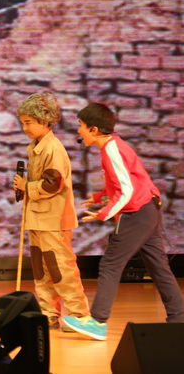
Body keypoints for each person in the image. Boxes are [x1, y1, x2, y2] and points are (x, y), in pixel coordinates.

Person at [63, 103, 184, 340]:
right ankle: (179, 319)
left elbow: (127, 190)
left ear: (94, 129)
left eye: (80, 126)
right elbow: (128, 183)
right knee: (158, 267)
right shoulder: (113, 146)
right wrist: (100, 197)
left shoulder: (112, 149)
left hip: (137, 213)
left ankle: (98, 321)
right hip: (148, 209)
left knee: (110, 263)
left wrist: (104, 212)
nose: (78, 131)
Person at [12, 93, 90, 331]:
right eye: (22, 123)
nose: (25, 128)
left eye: (29, 122)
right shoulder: (36, 147)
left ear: (44, 120)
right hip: (37, 218)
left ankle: (79, 314)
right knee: (41, 269)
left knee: (60, 268)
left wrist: (27, 186)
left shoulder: (53, 149)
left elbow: (53, 184)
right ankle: (49, 313)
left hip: (52, 220)